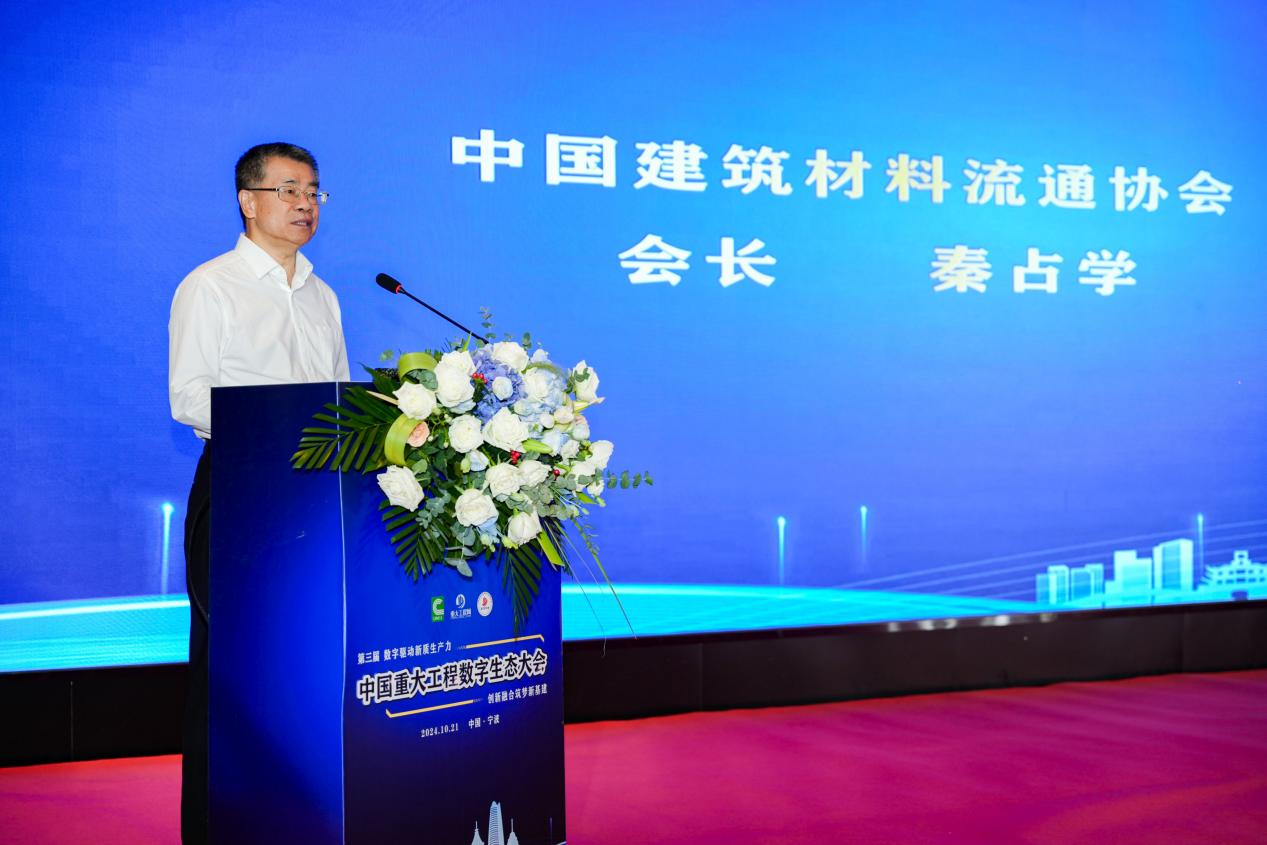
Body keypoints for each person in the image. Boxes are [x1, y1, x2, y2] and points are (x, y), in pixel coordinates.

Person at [168, 142, 350, 844]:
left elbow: (338, 397)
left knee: (300, 660)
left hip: (315, 496)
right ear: (249, 201)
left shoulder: (322, 294)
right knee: (230, 672)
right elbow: (188, 396)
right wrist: (275, 423)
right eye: (289, 190)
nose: (305, 204)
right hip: (241, 487)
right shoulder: (210, 286)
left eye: (313, 191)